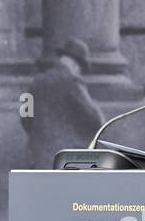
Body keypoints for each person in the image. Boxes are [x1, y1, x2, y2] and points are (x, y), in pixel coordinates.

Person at [21, 38, 106, 170]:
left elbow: (25, 118)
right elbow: (94, 119)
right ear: (75, 65)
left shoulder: (36, 81)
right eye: (80, 69)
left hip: (38, 156)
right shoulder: (73, 82)